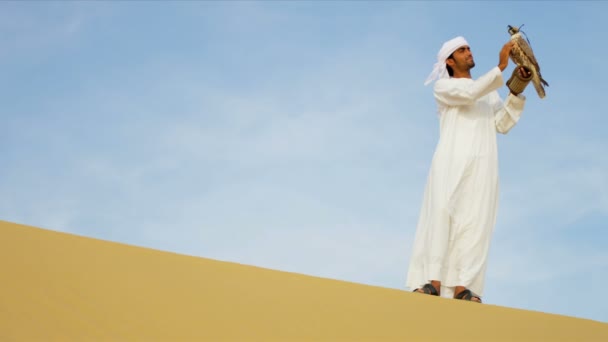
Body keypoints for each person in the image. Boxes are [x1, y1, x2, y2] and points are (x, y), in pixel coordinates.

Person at [405, 36, 533, 303]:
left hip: (483, 165)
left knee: (476, 223)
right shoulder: (443, 86)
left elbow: (502, 123)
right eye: (461, 50)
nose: (468, 52)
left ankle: (465, 286)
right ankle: (433, 282)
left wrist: (516, 90)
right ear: (449, 61)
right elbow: (469, 93)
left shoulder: (488, 92)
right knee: (442, 217)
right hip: (450, 161)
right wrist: (500, 67)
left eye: (469, 48)